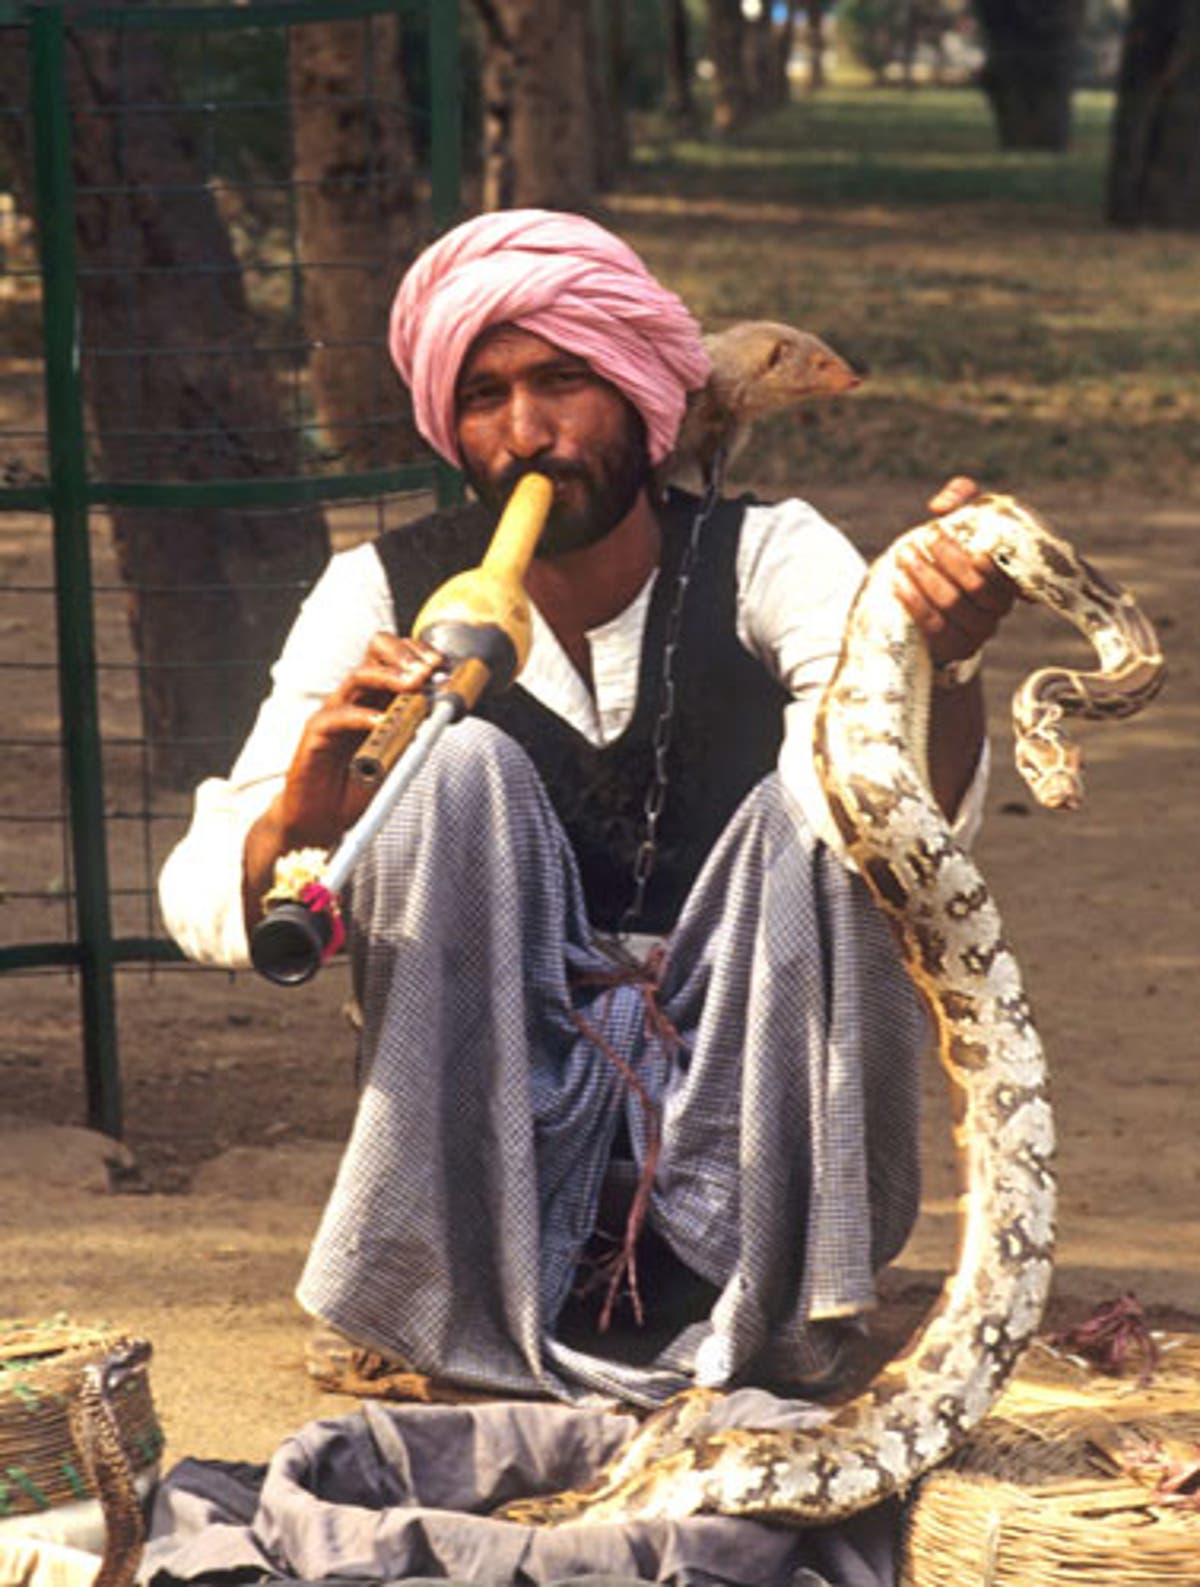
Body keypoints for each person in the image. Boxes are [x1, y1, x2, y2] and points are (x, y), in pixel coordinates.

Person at [159, 209, 1015, 1409]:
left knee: (821, 798)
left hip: (746, 1110)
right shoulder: (384, 591)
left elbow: (903, 822)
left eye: (565, 382)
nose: (528, 434)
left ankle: (765, 1302)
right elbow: (210, 897)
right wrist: (304, 815)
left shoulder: (771, 556)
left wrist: (946, 664)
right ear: (448, 426)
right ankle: (450, 1296)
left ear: (642, 394)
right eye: (486, 396)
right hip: (500, 1143)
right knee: (452, 773)